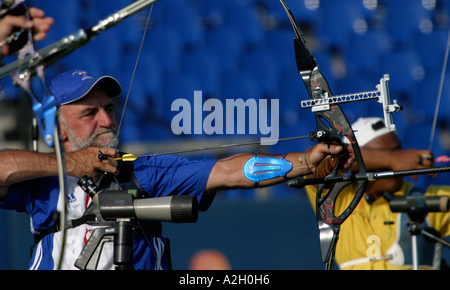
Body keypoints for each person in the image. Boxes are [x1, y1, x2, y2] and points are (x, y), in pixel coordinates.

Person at [0, 69, 355, 270]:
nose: (107, 120)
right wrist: (69, 165)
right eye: (89, 114)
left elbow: (231, 171)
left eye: (109, 109)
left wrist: (303, 162)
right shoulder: (40, 181)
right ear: (58, 128)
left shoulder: (143, 172)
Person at [305, 117, 450, 269]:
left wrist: (388, 159)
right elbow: (318, 161)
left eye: (399, 151)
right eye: (381, 156)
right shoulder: (340, 197)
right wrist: (391, 159)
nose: (400, 163)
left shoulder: (427, 198)